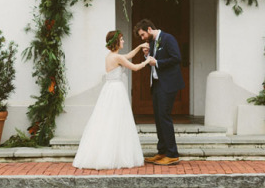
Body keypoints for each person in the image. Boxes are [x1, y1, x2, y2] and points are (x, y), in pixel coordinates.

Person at [72, 30, 152, 170]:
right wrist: (147, 61)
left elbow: (128, 55)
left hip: (109, 89)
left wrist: (139, 47)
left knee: (107, 120)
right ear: (116, 42)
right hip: (116, 90)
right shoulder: (117, 58)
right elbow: (134, 67)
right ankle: (114, 155)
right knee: (117, 120)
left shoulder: (111, 56)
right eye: (121, 39)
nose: (123, 41)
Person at [133, 19, 185, 166]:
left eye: (142, 35)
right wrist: (147, 55)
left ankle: (172, 154)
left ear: (149, 29)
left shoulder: (168, 38)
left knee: (164, 117)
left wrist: (158, 63)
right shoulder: (153, 43)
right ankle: (162, 152)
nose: (142, 38)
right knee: (158, 118)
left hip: (168, 84)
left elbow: (177, 58)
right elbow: (153, 62)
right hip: (156, 84)